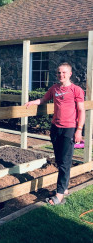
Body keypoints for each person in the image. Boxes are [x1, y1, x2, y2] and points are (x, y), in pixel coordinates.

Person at [25, 62, 85, 205]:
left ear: (70, 74)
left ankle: (59, 194)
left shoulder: (76, 90)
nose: (61, 75)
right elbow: (44, 99)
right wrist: (33, 102)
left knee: (65, 162)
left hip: (69, 128)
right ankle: (63, 188)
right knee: (59, 160)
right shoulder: (54, 88)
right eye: (59, 73)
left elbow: (81, 110)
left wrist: (79, 130)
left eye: (64, 72)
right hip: (55, 128)